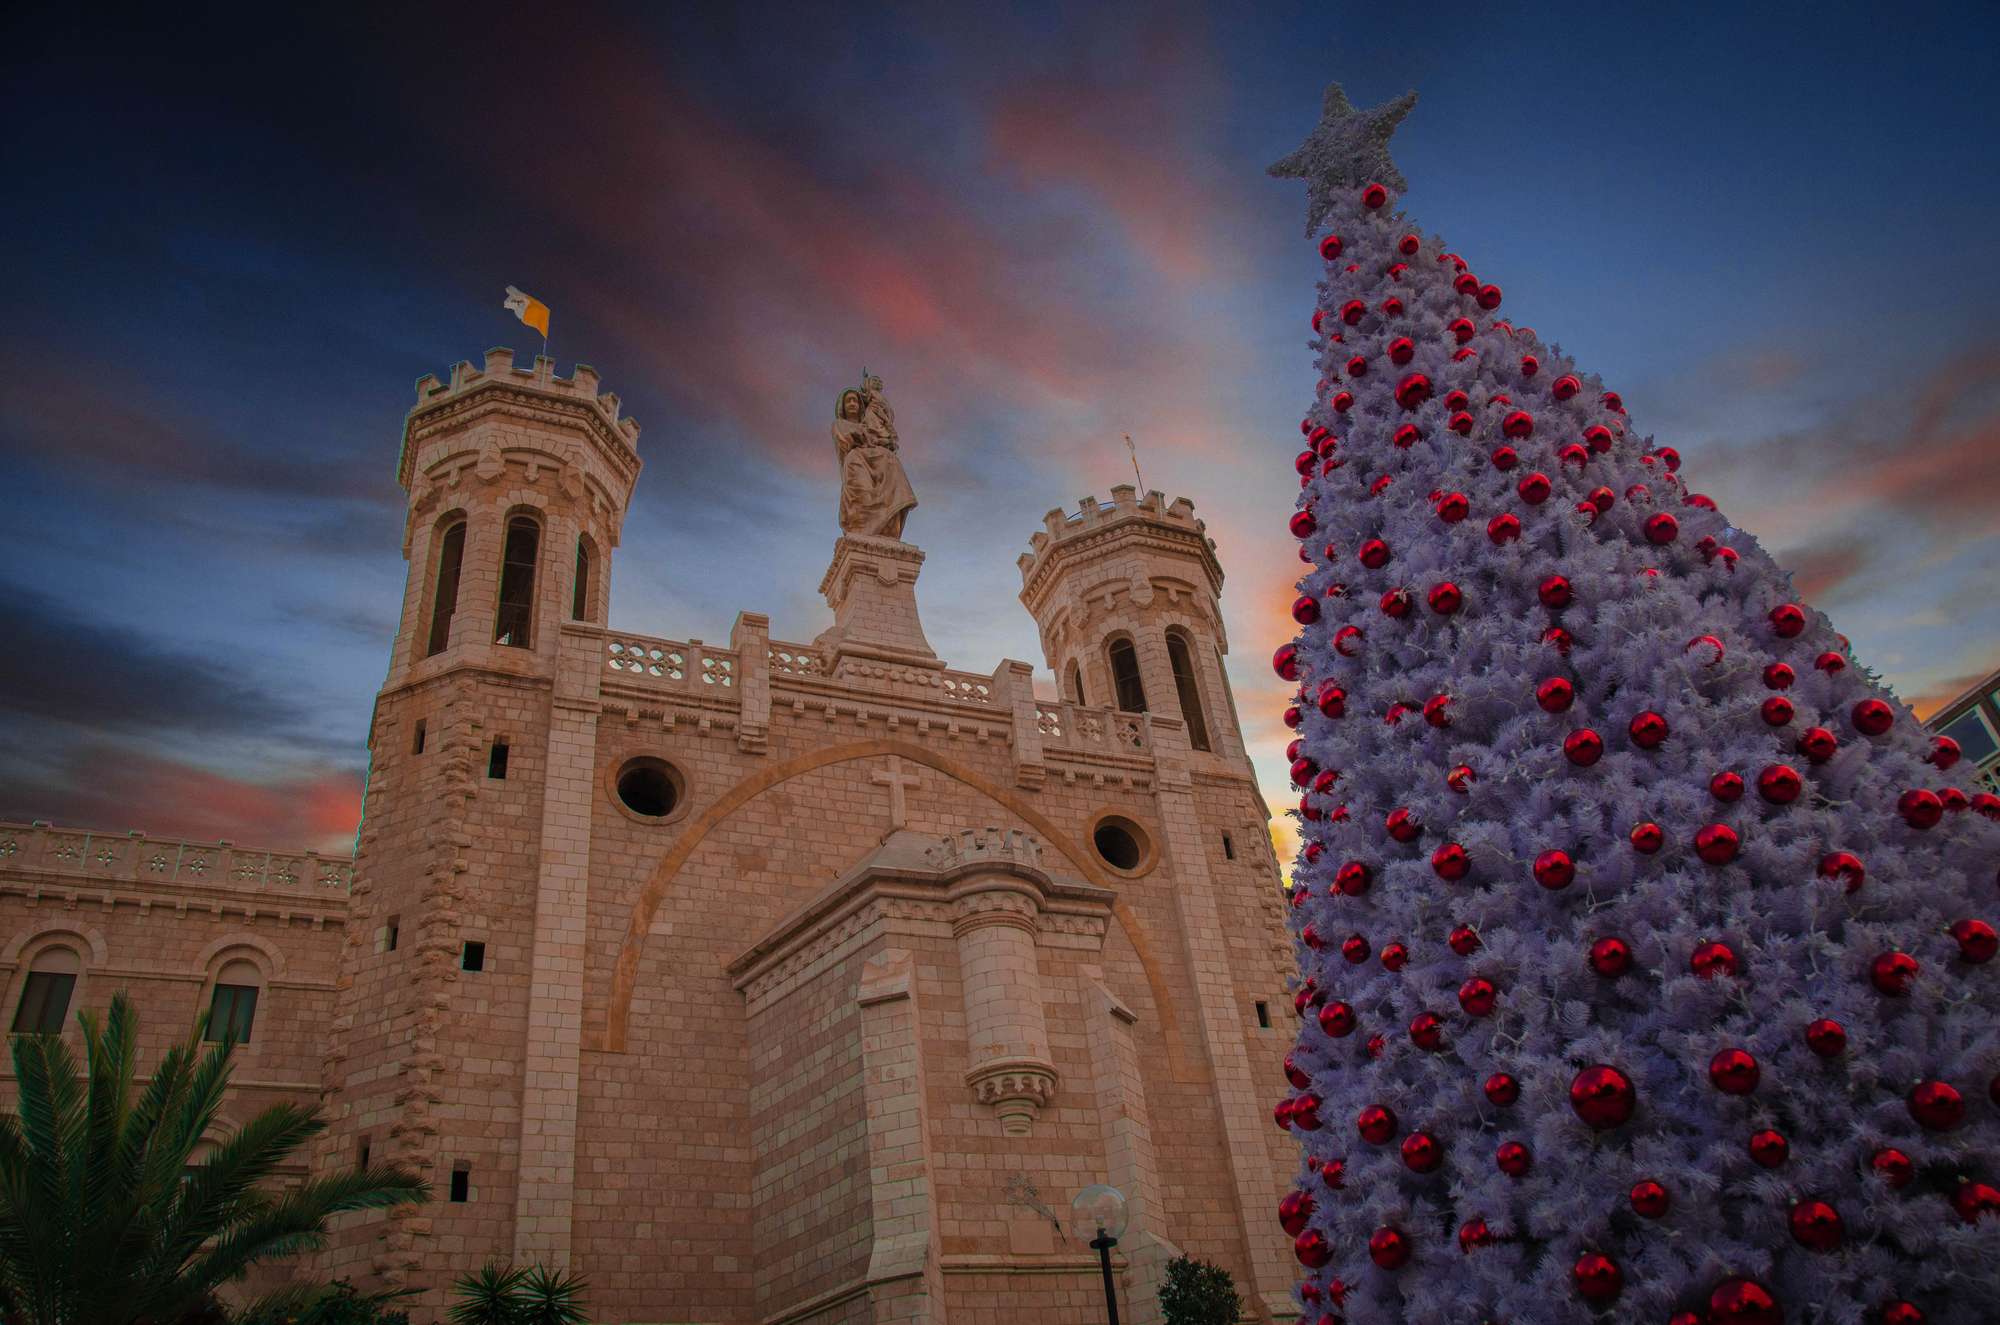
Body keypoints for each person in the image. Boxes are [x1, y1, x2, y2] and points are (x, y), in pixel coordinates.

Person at [833, 377, 917, 539]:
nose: (852, 404)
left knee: (891, 461)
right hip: (857, 461)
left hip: (878, 458)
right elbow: (850, 438)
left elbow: (883, 417)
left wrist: (873, 393)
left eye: (855, 401)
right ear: (842, 406)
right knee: (863, 494)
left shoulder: (869, 423)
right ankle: (864, 529)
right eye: (848, 401)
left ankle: (888, 526)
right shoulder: (839, 424)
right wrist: (870, 436)